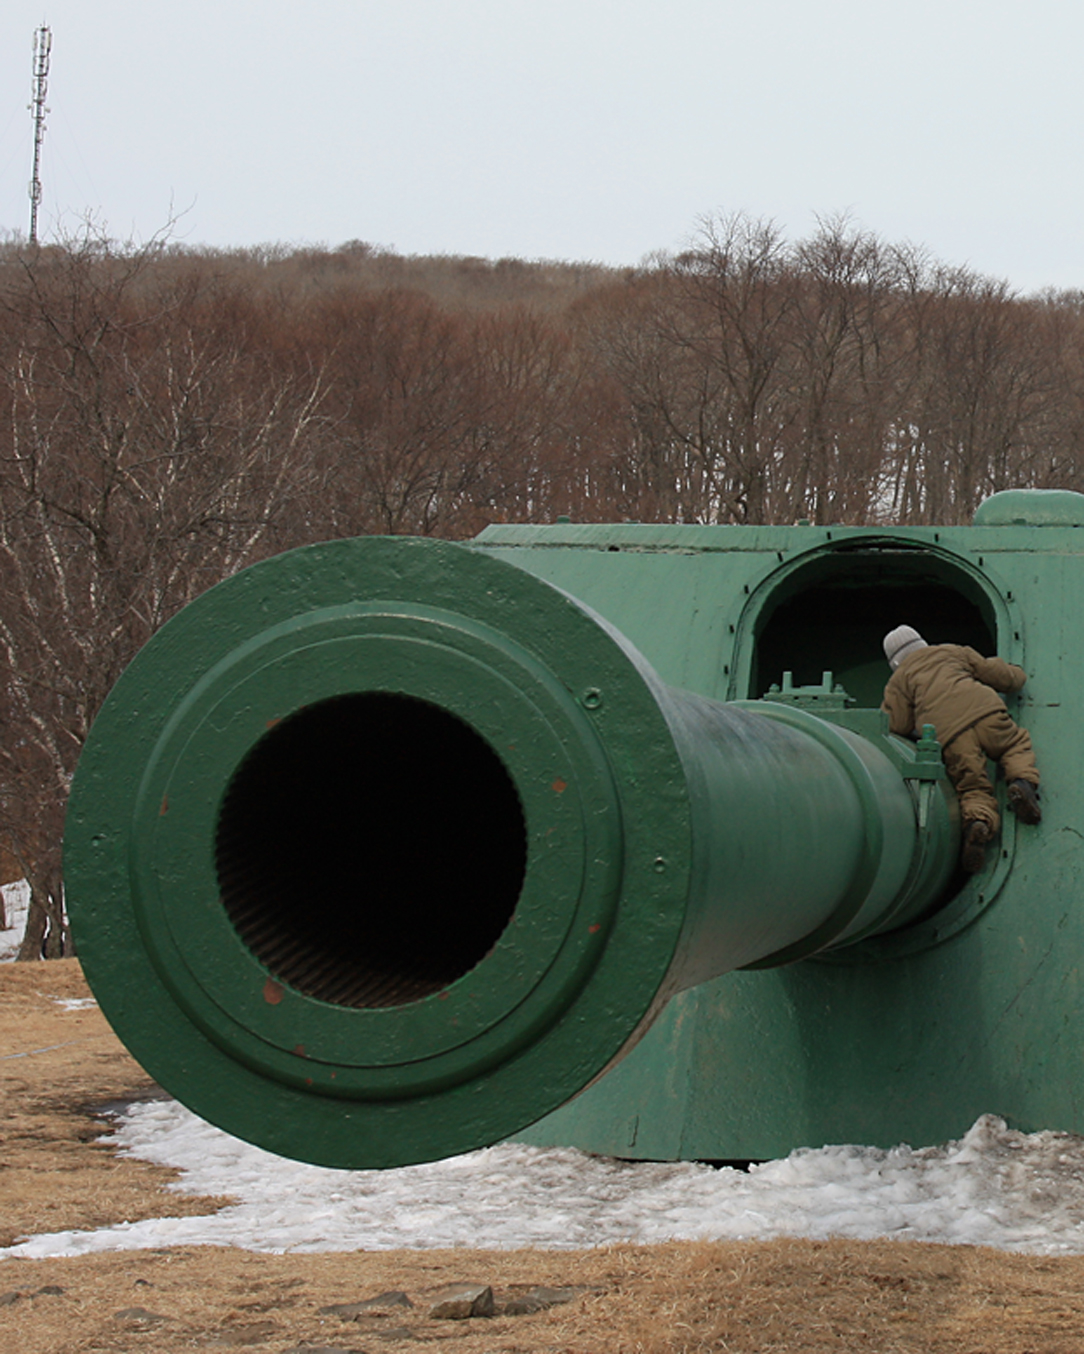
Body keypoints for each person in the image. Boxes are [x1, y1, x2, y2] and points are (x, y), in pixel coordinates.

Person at [881, 625, 1041, 873]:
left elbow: (897, 723)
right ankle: (1022, 783)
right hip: (986, 711)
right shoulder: (952, 651)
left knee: (972, 786)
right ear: (923, 642)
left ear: (895, 662)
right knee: (1013, 745)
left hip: (950, 735)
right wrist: (1016, 676)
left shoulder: (899, 680)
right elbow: (994, 672)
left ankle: (979, 823)